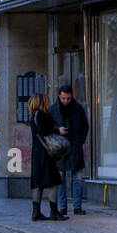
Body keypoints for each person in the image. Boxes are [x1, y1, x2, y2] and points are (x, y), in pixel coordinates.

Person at [50, 84, 88, 215]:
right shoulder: (53, 109)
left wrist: (81, 140)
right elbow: (48, 127)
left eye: (68, 98)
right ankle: (62, 207)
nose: (66, 101)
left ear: (72, 97)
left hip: (75, 145)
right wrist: (57, 130)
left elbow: (85, 126)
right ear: (59, 96)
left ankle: (77, 207)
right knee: (61, 179)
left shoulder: (78, 108)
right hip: (60, 147)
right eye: (63, 98)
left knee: (77, 178)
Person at [29, 92, 67, 221]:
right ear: (42, 102)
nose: (48, 102)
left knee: (38, 183)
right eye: (46, 100)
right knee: (54, 182)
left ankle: (36, 212)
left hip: (37, 153)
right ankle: (54, 211)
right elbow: (44, 131)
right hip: (45, 153)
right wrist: (56, 130)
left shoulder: (33, 115)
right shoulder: (41, 115)